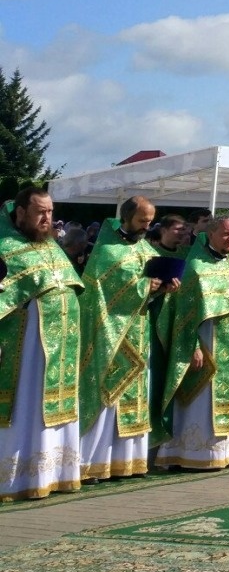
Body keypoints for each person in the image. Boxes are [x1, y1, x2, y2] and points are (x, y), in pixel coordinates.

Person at [154, 214, 229, 471]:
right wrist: (192, 346)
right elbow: (182, 314)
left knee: (223, 400)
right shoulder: (195, 267)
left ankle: (218, 454)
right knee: (199, 400)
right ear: (212, 234)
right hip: (205, 345)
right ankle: (190, 453)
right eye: (226, 234)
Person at [0, 187, 85, 502]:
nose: (47, 219)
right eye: (40, 212)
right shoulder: (5, 248)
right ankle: (14, 478)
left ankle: (52, 474)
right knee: (25, 407)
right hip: (25, 350)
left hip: (62, 348)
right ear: (20, 213)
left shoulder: (52, 248)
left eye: (50, 212)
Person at [77, 195, 167, 484]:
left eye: (150, 221)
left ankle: (127, 462)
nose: (147, 225)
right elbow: (102, 291)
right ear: (127, 217)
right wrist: (144, 285)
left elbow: (146, 289)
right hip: (110, 336)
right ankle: (93, 464)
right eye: (143, 220)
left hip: (138, 332)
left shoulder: (144, 247)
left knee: (133, 397)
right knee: (108, 397)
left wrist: (162, 288)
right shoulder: (106, 250)